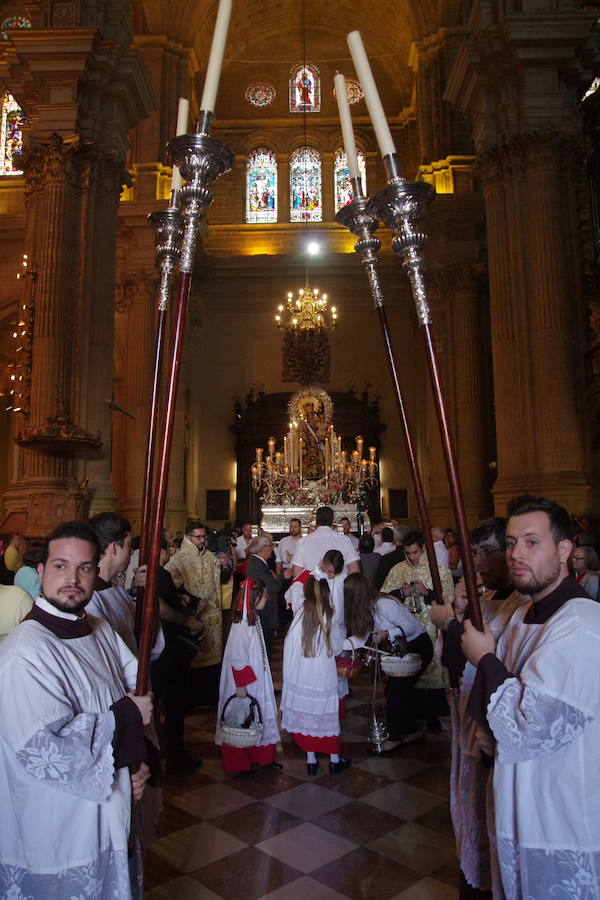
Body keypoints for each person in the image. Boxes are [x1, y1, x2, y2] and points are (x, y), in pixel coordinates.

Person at [0, 521, 152, 899]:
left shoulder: (98, 629)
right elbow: (43, 750)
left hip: (109, 806)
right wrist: (129, 718)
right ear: (40, 572)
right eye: (60, 566)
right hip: (59, 824)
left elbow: (138, 691)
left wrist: (134, 760)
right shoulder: (25, 652)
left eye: (84, 567)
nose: (73, 578)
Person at [461, 495, 600, 900]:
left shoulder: (582, 625)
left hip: (559, 814)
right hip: (517, 803)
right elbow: (494, 711)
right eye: (510, 542)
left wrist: (484, 657)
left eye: (531, 542)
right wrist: (487, 732)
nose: (516, 554)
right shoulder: (523, 614)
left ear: (564, 550)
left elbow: (528, 727)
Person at [431, 517, 521, 899]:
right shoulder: (489, 600)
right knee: (474, 815)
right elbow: (458, 661)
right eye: (473, 553)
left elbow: (496, 664)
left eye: (488, 553)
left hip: (499, 736)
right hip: (472, 727)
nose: (478, 563)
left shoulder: (521, 607)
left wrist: (450, 624)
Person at [344, 573, 432, 751]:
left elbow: (411, 627)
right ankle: (411, 732)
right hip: (402, 648)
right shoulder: (367, 608)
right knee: (399, 691)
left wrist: (386, 634)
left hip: (417, 645)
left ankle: (394, 737)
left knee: (395, 692)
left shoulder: (384, 604)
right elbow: (365, 634)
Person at [382, 530, 454, 732]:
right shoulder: (397, 570)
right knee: (406, 675)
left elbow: (449, 601)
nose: (412, 557)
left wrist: (427, 593)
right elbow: (384, 597)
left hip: (431, 629)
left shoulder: (439, 571)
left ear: (423, 549)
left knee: (431, 670)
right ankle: (408, 718)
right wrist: (400, 593)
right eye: (407, 553)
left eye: (415, 552)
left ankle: (432, 715)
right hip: (404, 630)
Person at [281, 574, 349, 775]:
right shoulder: (329, 614)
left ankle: (311, 761)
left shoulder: (300, 613)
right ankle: (334, 760)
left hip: (301, 673)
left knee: (307, 716)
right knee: (325, 713)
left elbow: (290, 645)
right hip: (321, 674)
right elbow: (336, 647)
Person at [215, 577, 281, 775]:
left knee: (259, 715)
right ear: (255, 598)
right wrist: (241, 687)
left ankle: (263, 757)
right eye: (265, 595)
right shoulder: (241, 624)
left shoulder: (253, 618)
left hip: (257, 677)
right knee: (241, 718)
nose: (267, 599)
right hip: (244, 683)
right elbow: (237, 657)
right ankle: (240, 763)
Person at [166, 520, 228, 701]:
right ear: (188, 536)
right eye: (198, 537)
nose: (202, 540)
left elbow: (221, 581)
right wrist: (190, 605)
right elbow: (171, 589)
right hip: (194, 617)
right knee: (194, 660)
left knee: (213, 660)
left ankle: (210, 697)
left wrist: (224, 567)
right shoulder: (178, 560)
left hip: (214, 618)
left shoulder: (209, 556)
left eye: (204, 537)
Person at [245, 534, 284, 664]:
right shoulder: (257, 564)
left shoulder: (258, 562)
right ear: (263, 548)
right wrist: (283, 576)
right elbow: (274, 586)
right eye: (270, 546)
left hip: (264, 611)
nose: (272, 549)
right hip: (264, 612)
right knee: (265, 646)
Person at [292, 506, 360, 578]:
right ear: (332, 521)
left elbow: (297, 574)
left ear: (316, 520)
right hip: (339, 588)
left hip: (312, 587)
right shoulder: (344, 540)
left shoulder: (303, 542)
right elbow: (354, 571)